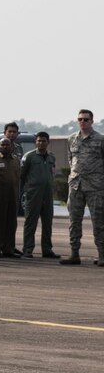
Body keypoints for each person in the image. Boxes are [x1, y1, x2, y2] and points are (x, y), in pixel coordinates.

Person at [61, 109, 104, 266]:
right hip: (76, 185)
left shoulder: (100, 139)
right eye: (80, 119)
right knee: (74, 221)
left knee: (99, 221)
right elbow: (71, 159)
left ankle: (102, 255)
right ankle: (74, 254)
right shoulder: (72, 139)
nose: (83, 122)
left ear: (92, 121)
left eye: (86, 119)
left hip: (95, 187)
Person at [20, 132, 58, 259]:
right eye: (39, 141)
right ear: (35, 142)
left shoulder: (51, 157)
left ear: (48, 142)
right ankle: (28, 250)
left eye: (44, 141)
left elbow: (52, 174)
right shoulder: (29, 157)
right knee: (31, 222)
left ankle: (47, 250)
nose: (41, 143)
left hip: (47, 195)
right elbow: (22, 175)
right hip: (33, 194)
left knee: (47, 223)